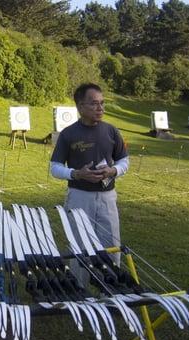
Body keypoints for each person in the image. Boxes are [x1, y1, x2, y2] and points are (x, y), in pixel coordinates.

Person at [50, 83, 129, 279]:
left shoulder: (111, 131)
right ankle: (80, 291)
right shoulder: (68, 134)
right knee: (79, 245)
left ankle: (109, 291)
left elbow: (124, 160)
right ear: (80, 106)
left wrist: (113, 171)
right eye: (94, 104)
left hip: (107, 198)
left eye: (102, 103)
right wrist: (76, 174)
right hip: (79, 197)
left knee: (111, 245)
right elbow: (54, 167)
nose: (100, 108)